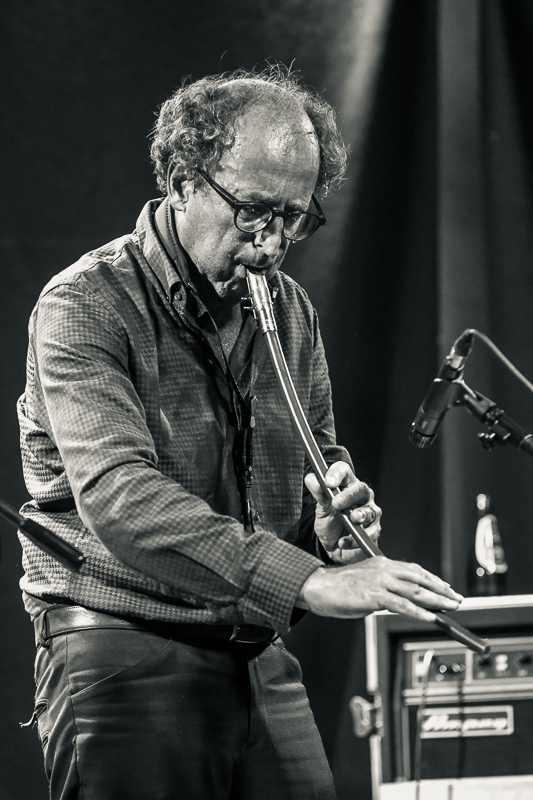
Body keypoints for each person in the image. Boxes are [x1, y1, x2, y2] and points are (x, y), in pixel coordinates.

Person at [17, 67, 462, 800]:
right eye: (253, 212)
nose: (273, 242)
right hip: (122, 645)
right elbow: (121, 499)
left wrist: (334, 530)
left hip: (254, 645)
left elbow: (319, 459)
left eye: (295, 218)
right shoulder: (85, 303)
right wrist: (311, 580)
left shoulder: (290, 310)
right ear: (182, 182)